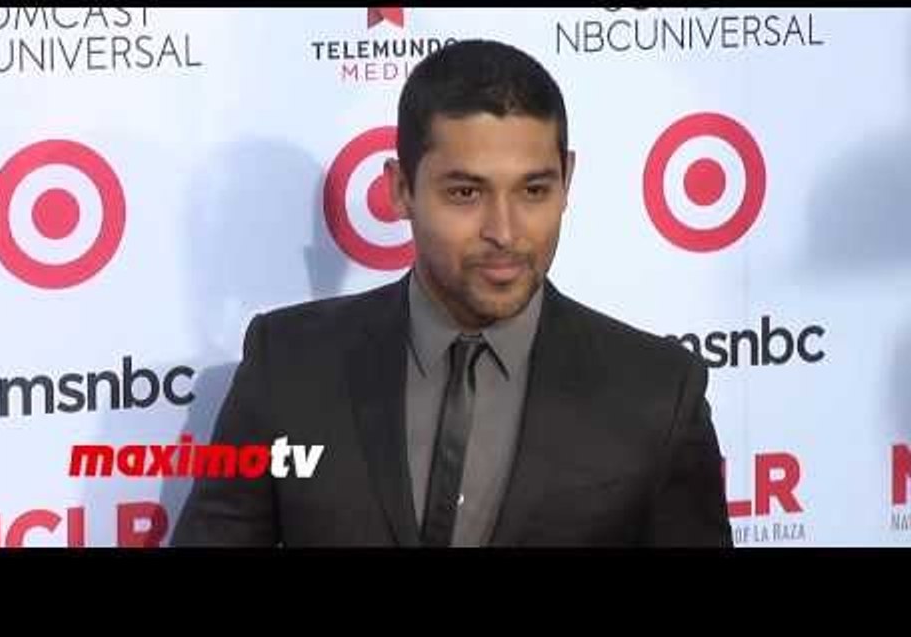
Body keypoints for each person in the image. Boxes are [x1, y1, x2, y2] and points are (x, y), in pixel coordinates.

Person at [171, 38, 733, 547]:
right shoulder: (287, 363)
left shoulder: (658, 392)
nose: (506, 232)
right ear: (399, 189)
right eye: (466, 192)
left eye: (534, 190)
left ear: (567, 180)